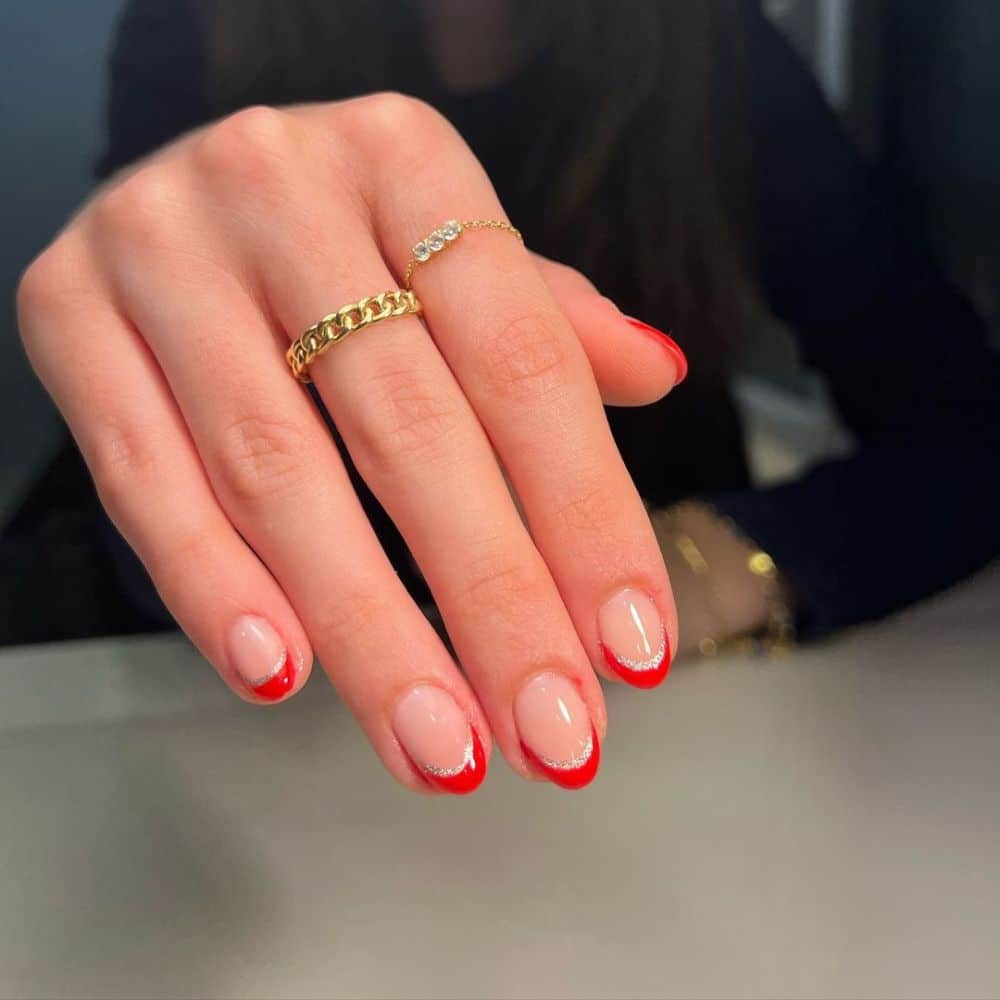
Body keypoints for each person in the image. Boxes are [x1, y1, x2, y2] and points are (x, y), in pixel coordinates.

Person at [13, 0, 1000, 793]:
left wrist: (702, 561)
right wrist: (156, 267)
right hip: (224, 764)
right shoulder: (200, 28)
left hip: (674, 762)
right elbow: (158, 504)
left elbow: (965, 436)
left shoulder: (717, 56)